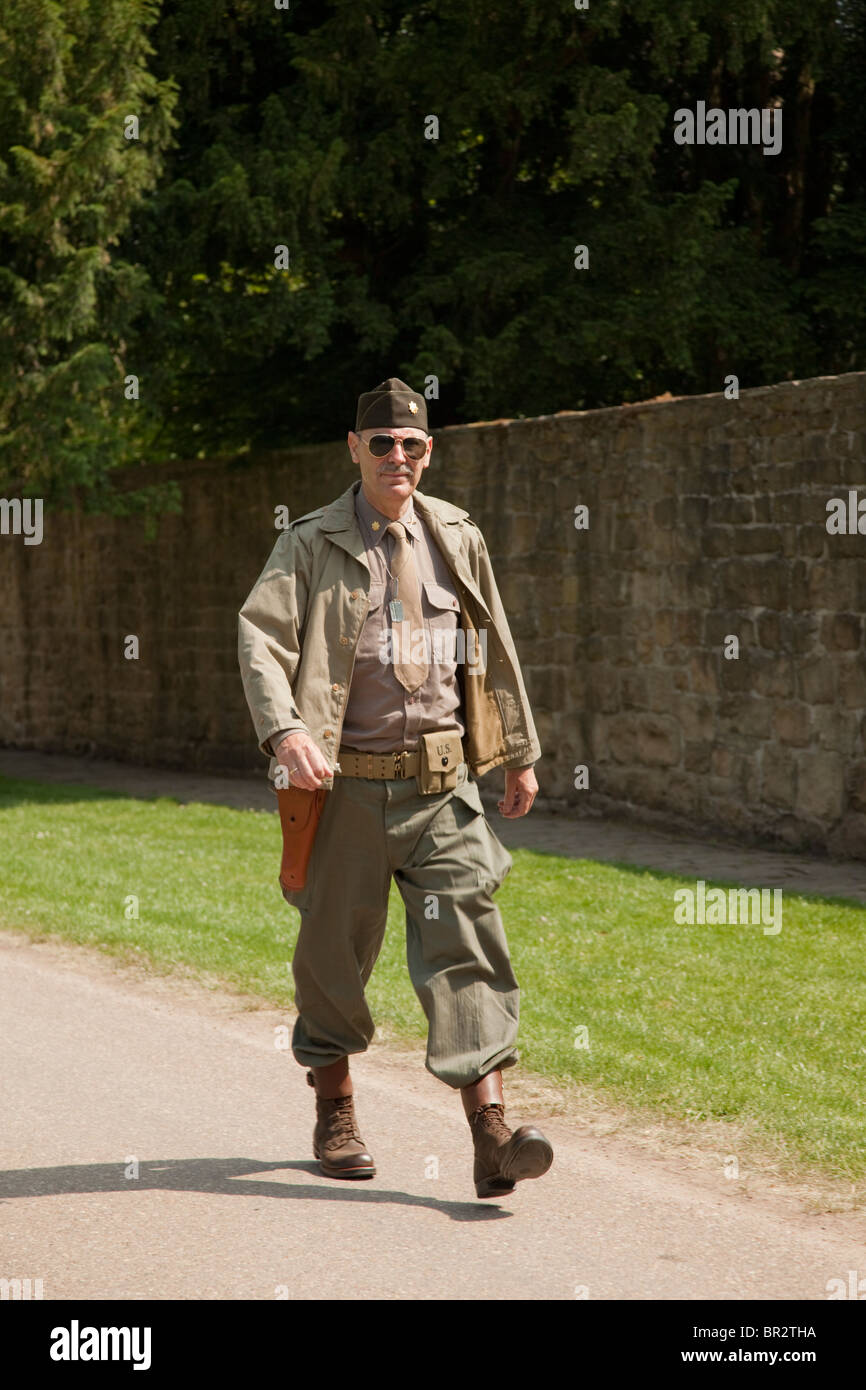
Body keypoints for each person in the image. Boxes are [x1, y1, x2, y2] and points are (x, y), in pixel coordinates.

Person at [238, 376, 553, 1199]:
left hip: (443, 790)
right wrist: (288, 730)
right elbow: (260, 639)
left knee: (469, 944)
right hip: (345, 791)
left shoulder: (455, 533)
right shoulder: (309, 543)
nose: (398, 457)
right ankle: (335, 1108)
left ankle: (490, 1134)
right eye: (382, 443)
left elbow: (494, 645)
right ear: (355, 449)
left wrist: (515, 751)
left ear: (428, 452)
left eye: (413, 444)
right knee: (332, 958)